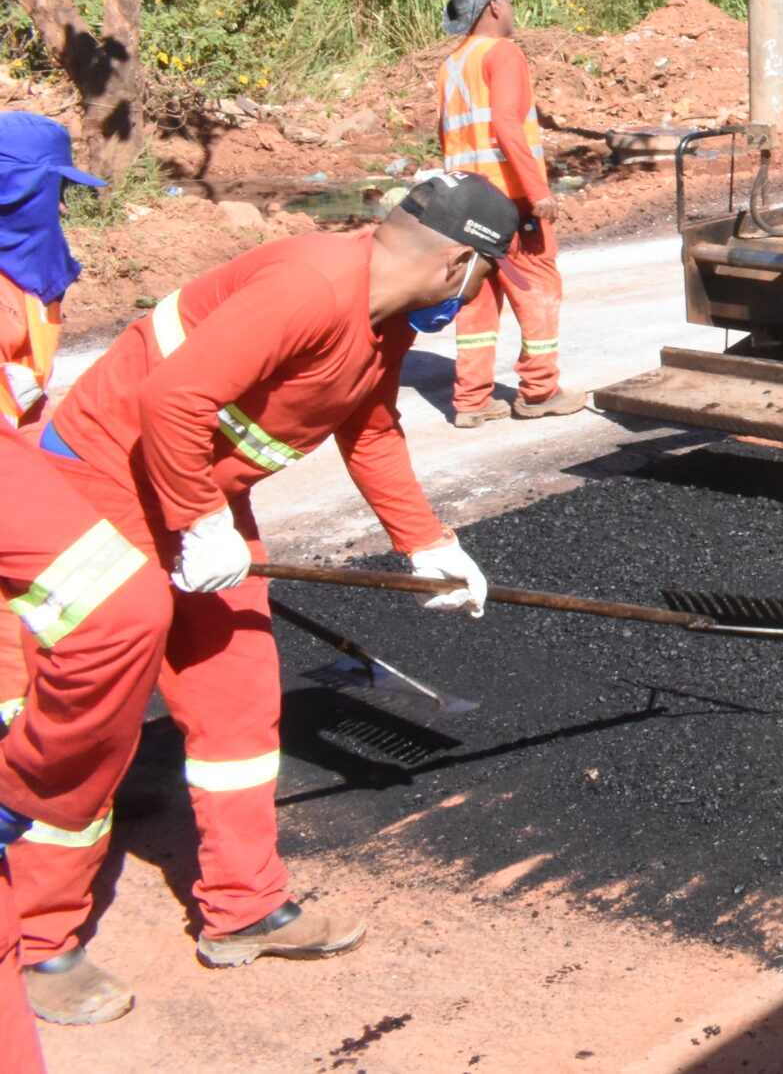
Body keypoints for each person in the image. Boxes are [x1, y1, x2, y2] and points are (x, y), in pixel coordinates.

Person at [11, 173, 508, 1026]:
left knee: (239, 690)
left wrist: (427, 541)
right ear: (461, 261)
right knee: (95, 717)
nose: (474, 299)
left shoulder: (380, 321)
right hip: (108, 478)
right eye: (482, 281)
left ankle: (243, 906)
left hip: (194, 491)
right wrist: (201, 524)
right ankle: (39, 937)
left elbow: (372, 427)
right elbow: (170, 398)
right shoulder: (312, 284)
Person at [0, 126, 172, 1056]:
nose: (55, 212)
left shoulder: (31, 285)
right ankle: (42, 940)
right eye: (44, 195)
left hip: (24, 516)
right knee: (33, 717)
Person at [438, 0, 585, 426]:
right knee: (538, 286)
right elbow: (505, 122)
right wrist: (538, 192)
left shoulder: (453, 63)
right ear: (495, 7)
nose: (514, 10)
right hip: (509, 199)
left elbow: (446, 133)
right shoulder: (503, 54)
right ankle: (539, 391)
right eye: (510, 2)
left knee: (477, 295)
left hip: (464, 201)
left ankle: (471, 400)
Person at [0, 116, 102, 430]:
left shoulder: (33, 276)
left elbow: (26, 393)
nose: (63, 208)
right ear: (17, 190)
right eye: (55, 191)